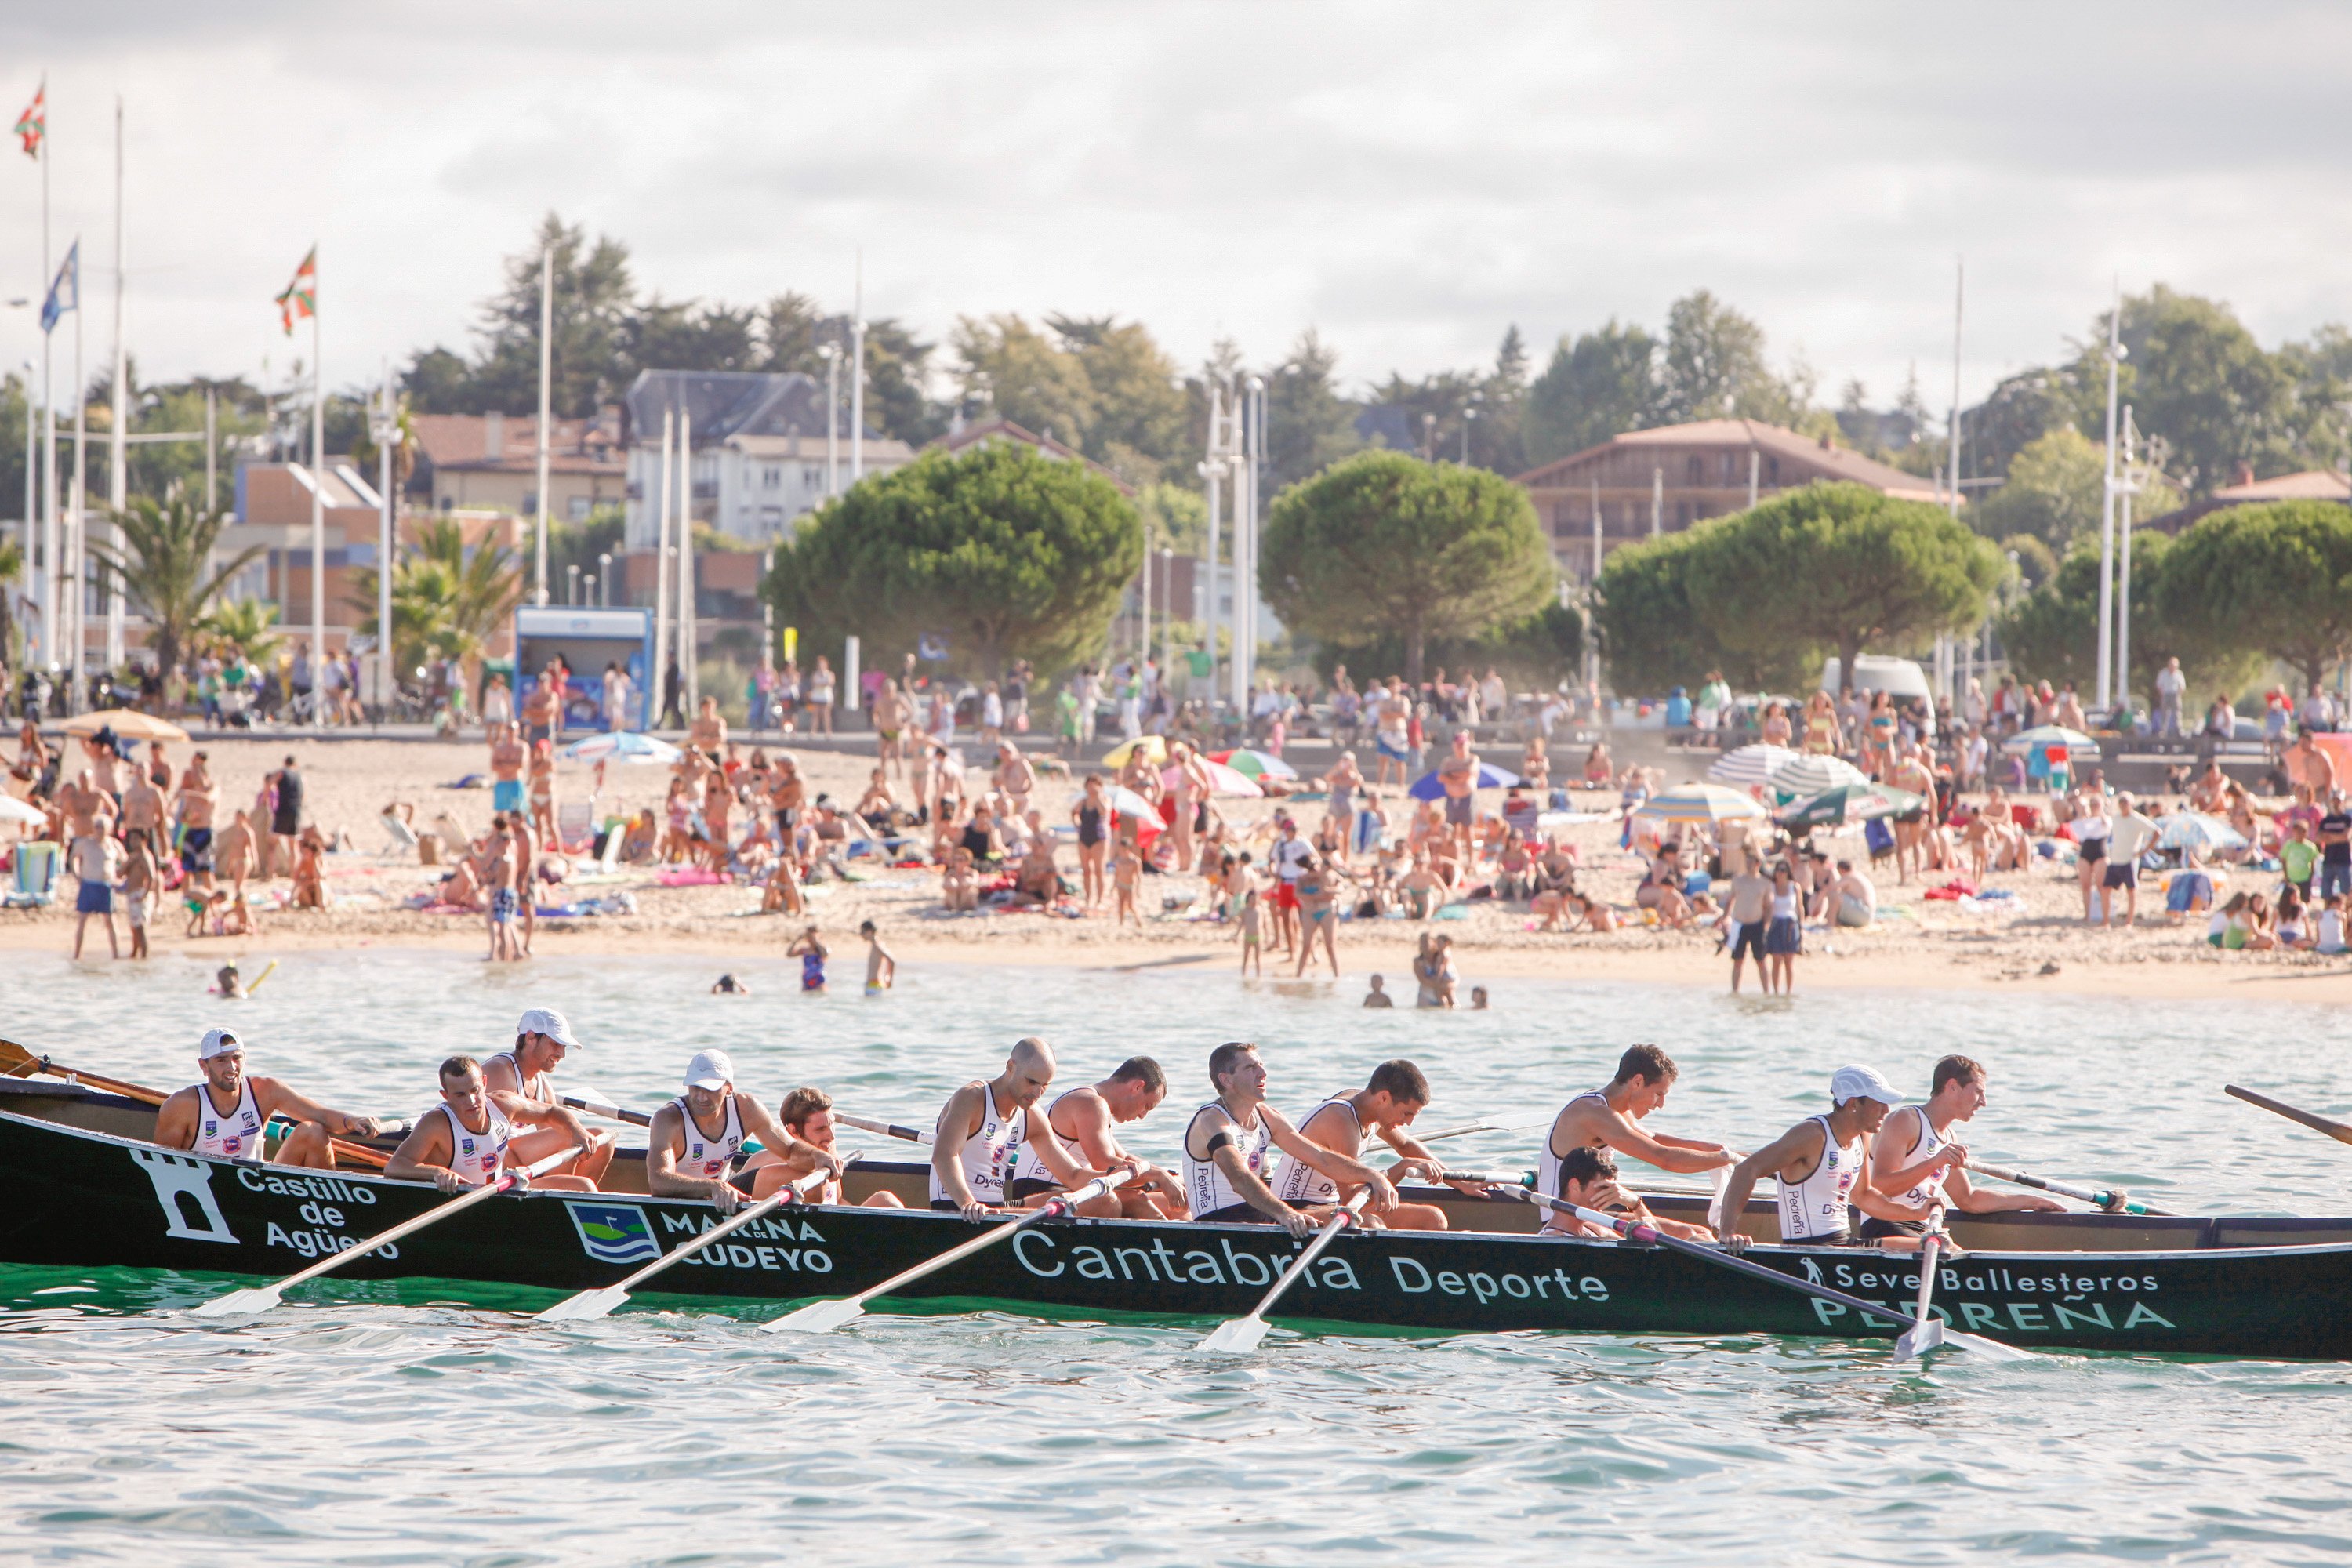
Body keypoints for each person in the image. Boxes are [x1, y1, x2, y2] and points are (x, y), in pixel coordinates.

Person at [1864, 1055, 2111, 1245]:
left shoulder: (1948, 1136)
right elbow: (1880, 1186)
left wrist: (2029, 1201)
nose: (1984, 1102)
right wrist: (1934, 1162)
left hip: (1921, 1226)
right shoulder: (1906, 1120)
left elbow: (1968, 1200)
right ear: (1952, 1087)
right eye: (1979, 1092)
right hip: (1885, 1224)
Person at [1181, 1040, 1399, 1237]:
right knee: (1361, 1223)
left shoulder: (1267, 1116)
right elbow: (1239, 1178)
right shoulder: (1211, 1120)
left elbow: (1321, 1158)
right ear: (1226, 1080)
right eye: (1250, 1067)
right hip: (1219, 1226)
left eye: (1261, 1065)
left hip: (1258, 1215)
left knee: (1369, 1223)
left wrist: (1371, 1175)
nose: (1263, 1073)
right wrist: (1285, 1213)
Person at [1714, 1065, 1938, 1250]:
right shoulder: (1812, 1134)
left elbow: (1865, 1196)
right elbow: (1747, 1170)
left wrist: (1916, 1213)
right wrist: (1727, 1233)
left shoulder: (1863, 1137)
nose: (1887, 1111)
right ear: (1852, 1104)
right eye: (1879, 1103)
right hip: (1808, 1251)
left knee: (1931, 1246)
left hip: (1846, 1245)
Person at [929, 1036, 1131, 1221]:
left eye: (1045, 1086)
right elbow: (945, 1155)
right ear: (1010, 1067)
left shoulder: (1031, 1115)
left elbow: (1073, 1175)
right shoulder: (972, 1098)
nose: (1037, 1093)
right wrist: (967, 1202)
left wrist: (1119, 1173)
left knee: (1105, 1201)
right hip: (958, 1208)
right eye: (1031, 1082)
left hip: (995, 1210)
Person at [155, 1028, 383, 1167]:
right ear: (203, 1066)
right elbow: (163, 1166)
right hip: (208, 1187)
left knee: (313, 1130)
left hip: (257, 1184)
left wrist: (354, 1121)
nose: (231, 1067)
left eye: (237, 1058)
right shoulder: (181, 1105)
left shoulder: (265, 1091)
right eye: (221, 1060)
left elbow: (320, 1115)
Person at [1539, 1046, 1738, 1207]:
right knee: (1694, 1234)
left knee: (1695, 1233)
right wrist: (1730, 1160)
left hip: (1589, 1215)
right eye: (1659, 1094)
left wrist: (1717, 1151)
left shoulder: (1614, 1108)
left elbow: (1652, 1140)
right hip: (1564, 1222)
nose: (1660, 1104)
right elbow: (1665, 1159)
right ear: (1637, 1081)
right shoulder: (1593, 1112)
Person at [644, 1049, 837, 1212]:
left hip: (727, 1186)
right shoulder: (668, 1119)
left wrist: (818, 1155)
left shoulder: (747, 1109)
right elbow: (659, 1182)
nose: (701, 1097)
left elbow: (791, 1151)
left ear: (728, 1089)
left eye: (710, 1089)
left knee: (809, 1176)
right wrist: (712, 1187)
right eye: (695, 1087)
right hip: (679, 1197)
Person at [1276, 1060, 1454, 1230]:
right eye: (1406, 1113)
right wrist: (1403, 1167)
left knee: (1433, 1218)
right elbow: (1351, 1199)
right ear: (1384, 1098)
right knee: (1370, 1223)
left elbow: (1406, 1145)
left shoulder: (1372, 1107)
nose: (1408, 1123)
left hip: (1332, 1205)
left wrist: (1457, 1182)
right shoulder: (1340, 1120)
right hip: (1295, 1210)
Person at [385, 1054, 601, 1192]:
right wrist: (436, 1172)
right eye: (459, 1095)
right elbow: (395, 1166)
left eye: (475, 1091)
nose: (471, 1101)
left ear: (484, 1083)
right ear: (445, 1095)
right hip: (464, 1197)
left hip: (501, 1189)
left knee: (584, 1187)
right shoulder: (436, 1123)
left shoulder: (504, 1104)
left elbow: (553, 1112)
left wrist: (577, 1130)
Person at [1005, 1055, 1186, 1219]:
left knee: (1179, 1203)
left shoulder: (1097, 1106)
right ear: (1137, 1086)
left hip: (1072, 1187)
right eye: (1147, 1106)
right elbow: (1106, 1163)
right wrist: (1160, 1177)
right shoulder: (1090, 1103)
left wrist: (1168, 1177)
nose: (1142, 1116)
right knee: (1132, 1199)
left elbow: (1126, 1160)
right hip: (1038, 1190)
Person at [479, 1007, 617, 1188]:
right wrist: (522, 1176)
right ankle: (565, 1191)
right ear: (530, 1037)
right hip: (492, 1162)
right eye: (555, 1044)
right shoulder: (499, 1070)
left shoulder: (543, 1085)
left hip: (518, 1159)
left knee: (601, 1139)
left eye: (564, 1046)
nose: (562, 1054)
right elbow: (483, 1142)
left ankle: (561, 1192)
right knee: (572, 1136)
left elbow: (555, 1133)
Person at [742, 1087, 903, 1204]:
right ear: (793, 1131)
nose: (831, 1136)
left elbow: (838, 1201)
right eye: (820, 1129)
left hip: (833, 1234)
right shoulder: (764, 1163)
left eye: (832, 1125)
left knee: (886, 1200)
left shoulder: (827, 1147)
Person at [1537, 1145, 1716, 1241]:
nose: (1608, 1197)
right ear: (1575, 1186)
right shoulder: (1553, 1239)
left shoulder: (1592, 1228)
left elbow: (1656, 1239)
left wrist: (1635, 1203)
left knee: (1700, 1235)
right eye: (1602, 1188)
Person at [68, 814, 123, 960]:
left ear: (109, 829)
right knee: (82, 920)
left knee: (111, 921)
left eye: (102, 827)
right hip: (88, 884)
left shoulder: (113, 844)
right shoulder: (86, 843)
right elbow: (73, 857)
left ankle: (116, 955)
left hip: (106, 885)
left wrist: (120, 878)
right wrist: (77, 875)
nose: (99, 830)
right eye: (97, 827)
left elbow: (125, 862)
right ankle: (77, 955)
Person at [1723, 857, 1769, 994]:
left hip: (1757, 924)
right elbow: (1730, 900)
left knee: (1761, 960)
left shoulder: (1764, 883)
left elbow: (1768, 906)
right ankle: (1735, 991)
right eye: (1747, 862)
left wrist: (1767, 925)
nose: (1749, 865)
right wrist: (1726, 917)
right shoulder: (1738, 880)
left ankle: (1767, 992)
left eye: (1752, 862)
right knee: (1737, 960)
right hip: (1739, 924)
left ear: (1758, 864)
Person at [788, 925, 829, 992]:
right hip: (806, 979)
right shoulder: (804, 950)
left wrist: (815, 941)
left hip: (818, 979)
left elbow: (825, 955)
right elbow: (789, 954)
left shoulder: (823, 949)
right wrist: (796, 940)